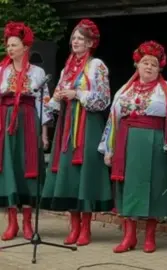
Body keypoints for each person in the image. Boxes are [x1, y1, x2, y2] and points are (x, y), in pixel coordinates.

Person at [99, 40, 167, 253]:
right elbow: (113, 120)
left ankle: (150, 238)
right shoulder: (124, 90)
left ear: (160, 67)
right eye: (145, 62)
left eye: (154, 63)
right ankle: (129, 237)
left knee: (153, 190)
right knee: (130, 190)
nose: (149, 67)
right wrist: (109, 148)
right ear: (137, 64)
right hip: (127, 144)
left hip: (155, 144)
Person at [41, 19, 112, 246]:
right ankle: (73, 226)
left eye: (80, 38)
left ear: (90, 43)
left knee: (86, 174)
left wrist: (77, 94)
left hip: (87, 125)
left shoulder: (96, 65)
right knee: (69, 174)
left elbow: (103, 99)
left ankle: (86, 229)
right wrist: (53, 100)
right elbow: (58, 96)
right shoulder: (67, 67)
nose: (75, 42)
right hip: (67, 124)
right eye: (74, 38)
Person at [0, 21, 52, 241]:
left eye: (14, 44)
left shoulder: (38, 73)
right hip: (5, 121)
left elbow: (45, 103)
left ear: (25, 47)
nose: (10, 49)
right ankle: (12, 222)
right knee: (9, 168)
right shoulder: (1, 70)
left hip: (29, 122)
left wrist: (44, 133)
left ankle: (28, 223)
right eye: (8, 45)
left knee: (28, 167)